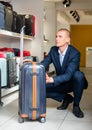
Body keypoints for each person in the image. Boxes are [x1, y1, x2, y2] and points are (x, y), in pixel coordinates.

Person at [41, 28, 88, 118]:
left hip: (72, 82)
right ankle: (66, 98)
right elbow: (44, 63)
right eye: (56, 36)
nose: (57, 39)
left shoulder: (75, 53)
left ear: (67, 40)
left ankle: (76, 106)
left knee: (79, 75)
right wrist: (33, 67)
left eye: (60, 36)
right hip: (61, 82)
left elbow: (69, 75)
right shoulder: (53, 50)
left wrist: (52, 79)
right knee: (39, 88)